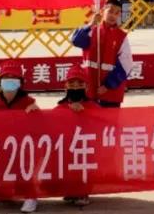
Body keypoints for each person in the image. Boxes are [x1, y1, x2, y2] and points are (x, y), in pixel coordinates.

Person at [0, 63, 40, 212]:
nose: (9, 80)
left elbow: (40, 122)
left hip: (23, 146)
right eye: (6, 77)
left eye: (14, 77)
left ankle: (31, 197)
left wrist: (36, 111)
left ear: (20, 83)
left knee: (24, 171)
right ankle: (7, 193)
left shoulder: (28, 101)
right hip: (1, 146)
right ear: (0, 82)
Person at [70, 0, 133, 109]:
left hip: (110, 92)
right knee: (90, 119)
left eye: (117, 13)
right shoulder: (92, 30)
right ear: (103, 11)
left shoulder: (121, 36)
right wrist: (91, 24)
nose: (113, 16)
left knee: (111, 120)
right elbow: (76, 41)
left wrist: (108, 85)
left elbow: (126, 64)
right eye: (110, 11)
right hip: (90, 88)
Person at [56, 65, 96, 207]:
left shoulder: (94, 107)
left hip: (86, 148)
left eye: (80, 84)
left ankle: (83, 192)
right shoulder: (60, 107)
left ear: (86, 87)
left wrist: (85, 112)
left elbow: (105, 123)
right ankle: (70, 191)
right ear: (65, 87)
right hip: (67, 148)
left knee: (84, 167)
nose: (75, 87)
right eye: (71, 83)